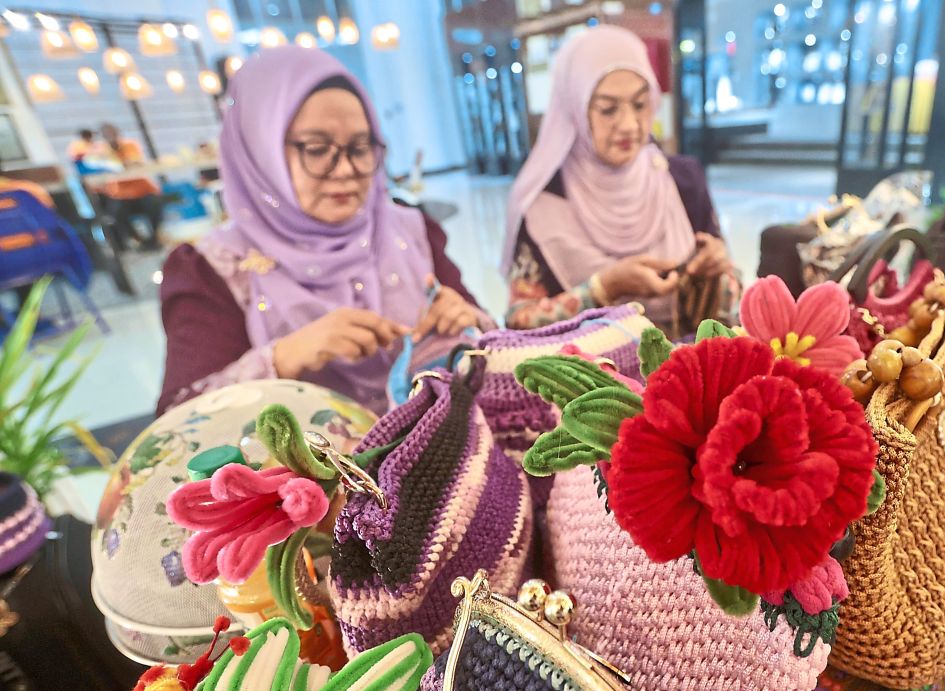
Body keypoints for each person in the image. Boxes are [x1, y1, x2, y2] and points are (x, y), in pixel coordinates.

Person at [157, 46, 489, 416]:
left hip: (443, 453)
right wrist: (284, 357)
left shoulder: (409, 229)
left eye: (360, 147)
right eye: (317, 149)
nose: (346, 168)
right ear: (260, 150)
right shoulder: (214, 269)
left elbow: (487, 333)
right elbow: (177, 421)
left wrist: (466, 319)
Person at [501, 25, 736, 335]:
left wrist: (719, 271)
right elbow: (518, 321)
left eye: (640, 105)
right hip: (586, 376)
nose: (629, 125)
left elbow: (731, 294)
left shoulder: (682, 180)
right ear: (575, 110)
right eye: (608, 110)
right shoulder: (544, 202)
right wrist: (603, 288)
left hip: (686, 368)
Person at [91, 123, 164, 251]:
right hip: (120, 194)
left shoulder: (129, 145)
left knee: (155, 204)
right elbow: (99, 167)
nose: (110, 136)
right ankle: (136, 239)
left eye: (112, 132)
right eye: (106, 134)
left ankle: (154, 238)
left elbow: (134, 161)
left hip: (142, 190)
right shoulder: (101, 151)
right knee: (116, 213)